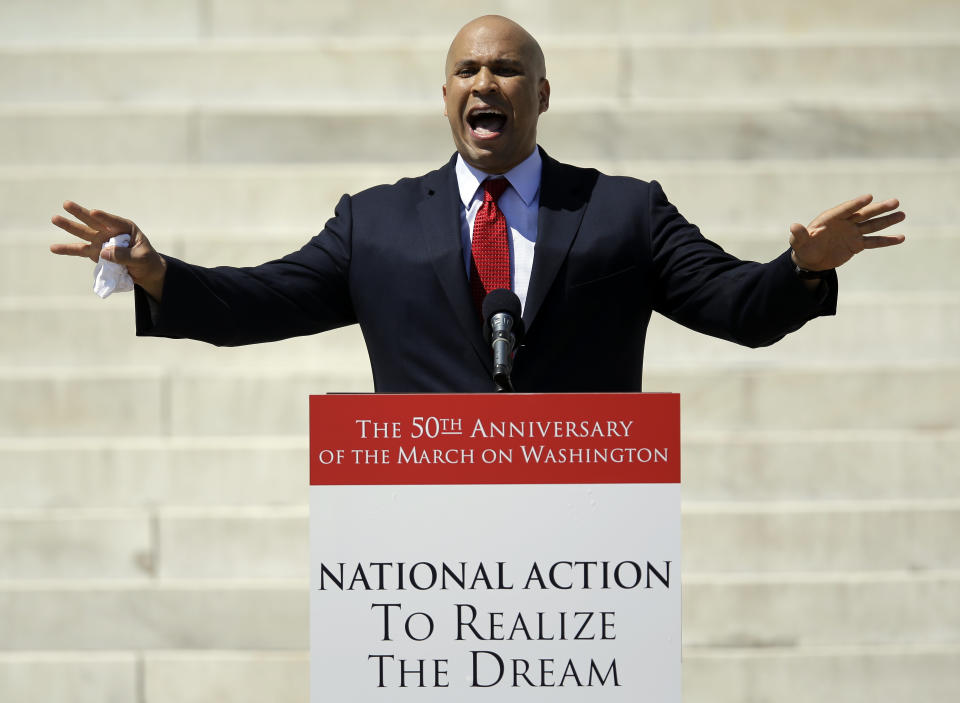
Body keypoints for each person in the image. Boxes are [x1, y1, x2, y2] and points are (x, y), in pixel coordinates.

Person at [50, 15, 905, 392]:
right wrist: (157, 270)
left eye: (505, 71)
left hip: (586, 535)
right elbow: (259, 302)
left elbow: (735, 308)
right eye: (468, 70)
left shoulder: (623, 211)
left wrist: (801, 268)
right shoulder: (375, 221)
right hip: (422, 530)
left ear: (541, 94)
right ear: (447, 94)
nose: (485, 82)